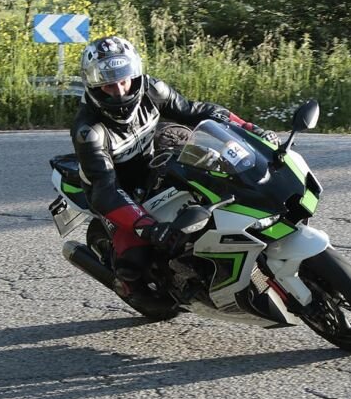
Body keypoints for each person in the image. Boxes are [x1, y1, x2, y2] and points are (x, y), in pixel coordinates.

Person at [71, 34, 279, 302]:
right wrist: (146, 226)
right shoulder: (89, 131)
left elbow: (195, 111)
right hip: (115, 188)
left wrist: (249, 128)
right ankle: (129, 287)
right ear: (94, 86)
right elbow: (105, 191)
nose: (120, 91)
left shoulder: (151, 89)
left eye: (124, 81)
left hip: (153, 163)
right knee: (134, 259)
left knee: (216, 182)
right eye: (109, 85)